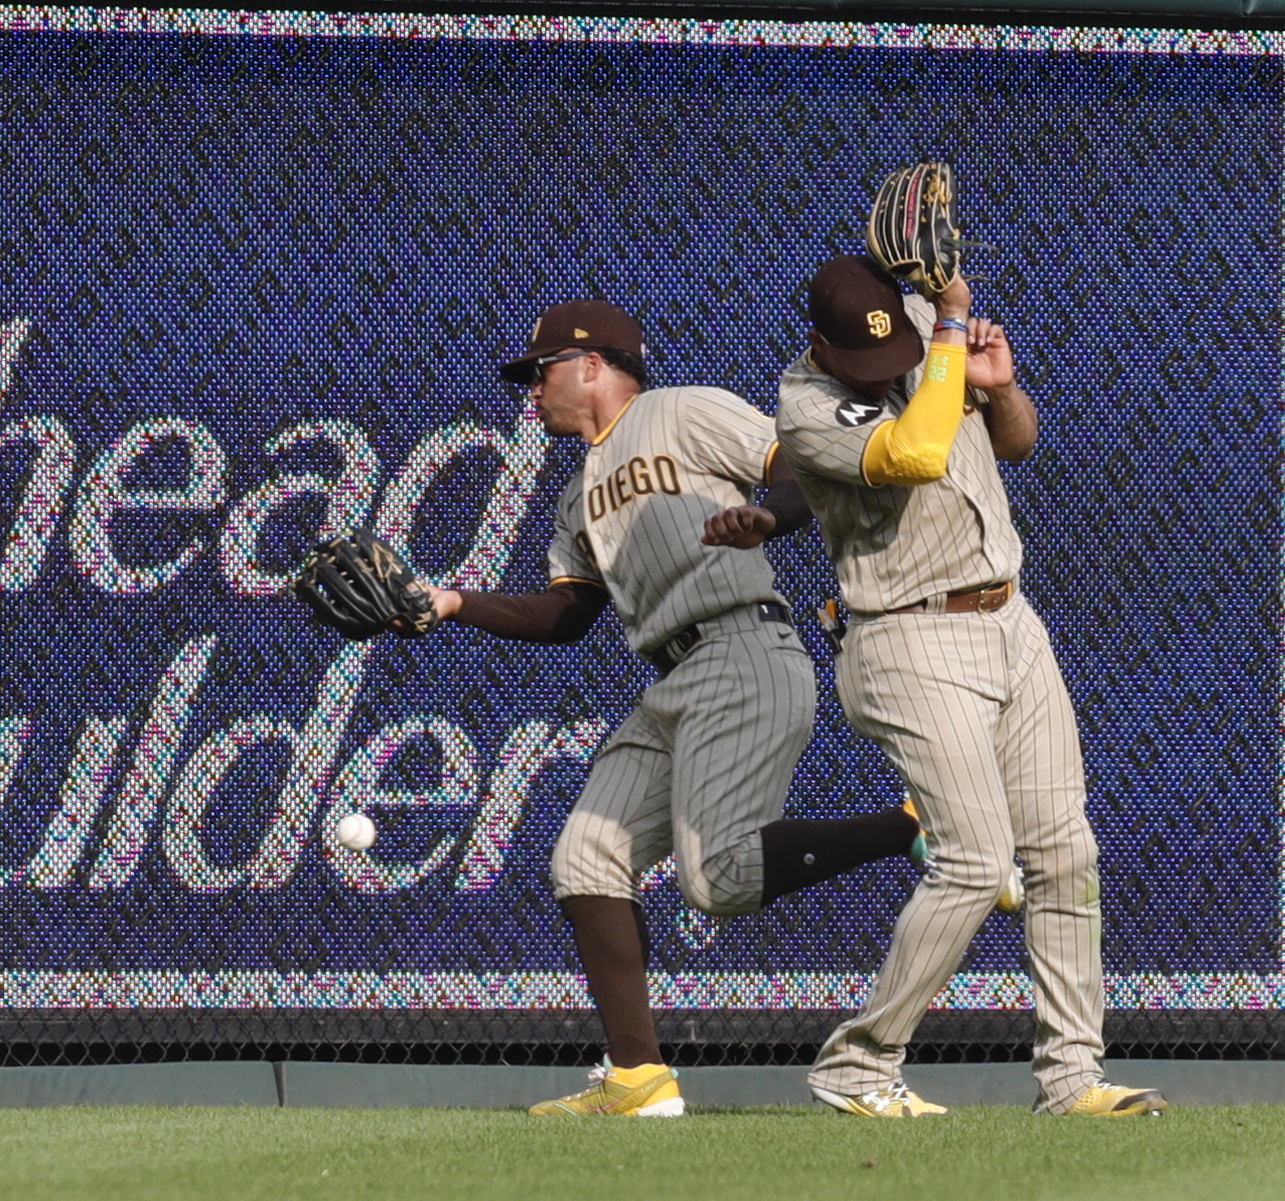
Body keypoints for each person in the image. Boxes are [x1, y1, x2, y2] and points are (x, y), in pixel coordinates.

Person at [422, 299, 921, 1117]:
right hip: (668, 681)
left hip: (741, 649)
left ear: (591, 364)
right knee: (583, 857)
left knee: (717, 881)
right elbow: (565, 615)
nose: (531, 390)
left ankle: (904, 826)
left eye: (540, 369)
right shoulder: (577, 493)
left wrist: (769, 516)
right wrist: (447, 603)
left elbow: (799, 464)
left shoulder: (677, 409)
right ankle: (638, 1080)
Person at [773, 255, 1166, 1118]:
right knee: (974, 862)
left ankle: (1071, 1078)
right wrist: (950, 330)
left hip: (1009, 621)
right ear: (818, 344)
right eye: (866, 359)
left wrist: (1000, 384)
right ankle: (856, 1066)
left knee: (1064, 851)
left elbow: (1012, 439)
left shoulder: (924, 330)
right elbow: (914, 452)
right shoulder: (803, 404)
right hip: (908, 636)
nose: (889, 365)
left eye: (900, 348)